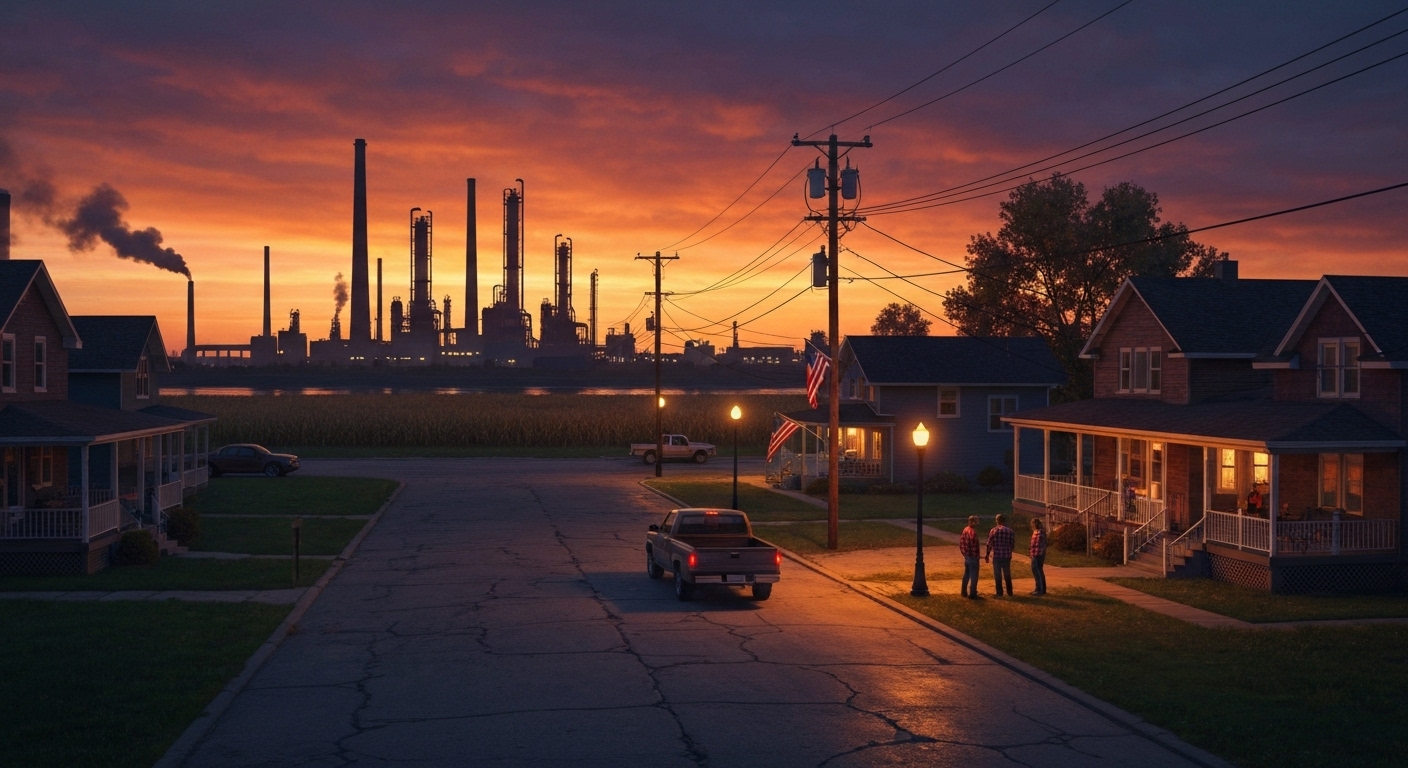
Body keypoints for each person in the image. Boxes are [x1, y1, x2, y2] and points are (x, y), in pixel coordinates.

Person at [984, 514, 1015, 597]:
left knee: (997, 575)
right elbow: (1012, 544)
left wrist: (987, 555)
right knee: (1007, 574)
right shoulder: (1010, 531)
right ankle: (1010, 592)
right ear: (1004, 521)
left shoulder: (993, 531)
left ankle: (999, 592)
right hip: (1006, 555)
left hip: (997, 555)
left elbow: (989, 544)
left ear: (997, 520)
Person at [958, 516, 981, 599]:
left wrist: (964, 553)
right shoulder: (972, 532)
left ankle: (963, 591)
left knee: (966, 574)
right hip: (973, 557)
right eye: (976, 521)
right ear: (973, 522)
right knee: (974, 575)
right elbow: (974, 546)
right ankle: (973, 593)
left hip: (967, 556)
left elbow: (961, 543)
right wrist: (976, 556)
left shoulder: (965, 530)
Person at [1029, 518, 1048, 596]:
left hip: (1037, 554)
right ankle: (1040, 589)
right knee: (1038, 571)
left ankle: (1040, 589)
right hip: (1037, 554)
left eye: (1032, 524)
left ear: (1035, 524)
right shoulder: (1038, 532)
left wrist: (1034, 554)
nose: (1031, 526)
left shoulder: (1039, 532)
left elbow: (1037, 545)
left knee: (1037, 571)